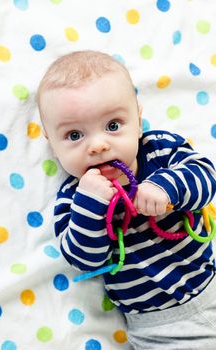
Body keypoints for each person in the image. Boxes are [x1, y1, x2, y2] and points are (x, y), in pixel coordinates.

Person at [37, 50, 216, 349]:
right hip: (159, 329)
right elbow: (82, 258)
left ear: (138, 118)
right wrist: (91, 207)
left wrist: (166, 188)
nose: (98, 145)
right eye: (74, 135)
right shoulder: (73, 198)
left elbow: (206, 177)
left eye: (113, 126)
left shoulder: (159, 151)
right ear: (51, 143)